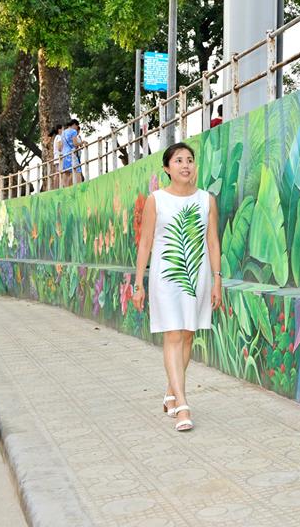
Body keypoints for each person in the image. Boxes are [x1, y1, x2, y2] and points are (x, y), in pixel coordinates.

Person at [131, 143, 223, 432]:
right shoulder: (156, 200)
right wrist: (138, 284)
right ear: (167, 168)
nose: (186, 165)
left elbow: (213, 242)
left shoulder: (206, 200)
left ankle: (171, 392)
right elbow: (145, 243)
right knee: (173, 333)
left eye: (190, 160)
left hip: (197, 277)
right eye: (179, 160)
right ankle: (183, 404)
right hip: (166, 278)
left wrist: (217, 279)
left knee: (187, 335)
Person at [61, 119, 84, 186]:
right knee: (78, 171)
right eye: (77, 126)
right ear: (74, 124)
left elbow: (62, 145)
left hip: (64, 155)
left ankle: (66, 188)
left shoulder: (63, 132)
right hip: (71, 154)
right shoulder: (73, 131)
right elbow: (75, 143)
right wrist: (82, 142)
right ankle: (80, 187)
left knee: (67, 173)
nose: (77, 128)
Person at [50, 124, 64, 190]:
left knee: (57, 173)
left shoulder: (56, 137)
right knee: (58, 173)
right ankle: (56, 187)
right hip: (59, 157)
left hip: (56, 157)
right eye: (62, 129)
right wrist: (62, 145)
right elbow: (59, 148)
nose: (63, 130)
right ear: (59, 130)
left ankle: (56, 187)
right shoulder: (59, 137)